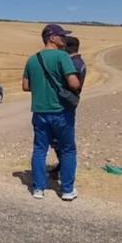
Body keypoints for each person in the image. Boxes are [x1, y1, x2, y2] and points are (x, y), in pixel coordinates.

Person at [22, 24, 81, 200]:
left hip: (39, 112)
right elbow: (74, 84)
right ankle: (67, 190)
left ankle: (39, 188)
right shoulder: (62, 56)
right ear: (52, 37)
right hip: (61, 111)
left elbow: (25, 86)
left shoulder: (32, 59)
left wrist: (41, 87)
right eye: (61, 36)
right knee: (68, 150)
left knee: (40, 149)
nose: (64, 39)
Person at [49, 36, 87, 178]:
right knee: (59, 139)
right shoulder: (79, 62)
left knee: (60, 140)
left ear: (65, 47)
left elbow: (70, 83)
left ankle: (64, 169)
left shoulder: (72, 63)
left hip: (63, 104)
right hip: (69, 102)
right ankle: (62, 166)